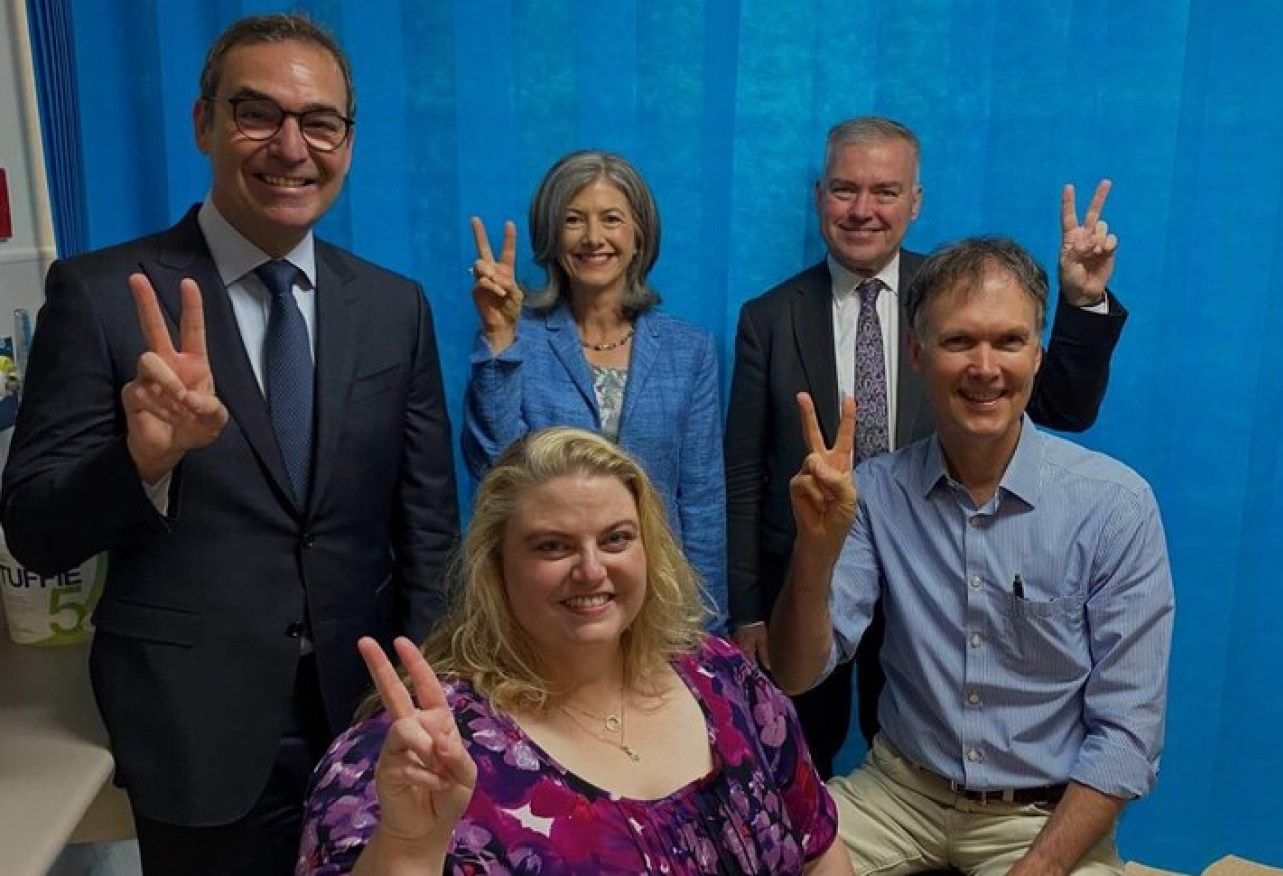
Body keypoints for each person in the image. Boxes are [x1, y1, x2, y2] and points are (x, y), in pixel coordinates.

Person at [0, 13, 458, 874]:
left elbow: (428, 523)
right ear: (204, 123)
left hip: (364, 716)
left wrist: (424, 693)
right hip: (192, 726)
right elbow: (33, 524)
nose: (292, 146)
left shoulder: (396, 309)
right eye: (258, 114)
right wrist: (143, 459)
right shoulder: (103, 296)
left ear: (347, 143)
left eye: (319, 121)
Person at [725, 115, 1129, 776]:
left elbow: (1065, 408)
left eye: (884, 191)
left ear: (914, 203)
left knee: (924, 765)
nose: (862, 210)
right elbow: (741, 472)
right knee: (795, 762)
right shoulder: (767, 318)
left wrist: (1082, 302)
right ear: (819, 197)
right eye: (843, 189)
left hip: (933, 579)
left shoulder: (953, 296)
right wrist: (747, 610)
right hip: (811, 579)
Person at [770, 236, 1174, 875]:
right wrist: (814, 555)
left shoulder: (1115, 507)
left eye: (1009, 341)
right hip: (898, 794)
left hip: (1039, 817)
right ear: (917, 354)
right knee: (755, 855)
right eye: (959, 341)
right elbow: (795, 673)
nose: (985, 367)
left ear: (1038, 354)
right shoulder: (875, 491)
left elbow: (1127, 737)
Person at [298, 427, 851, 875]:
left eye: (615, 539)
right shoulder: (419, 751)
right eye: (552, 546)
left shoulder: (725, 679)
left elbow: (819, 849)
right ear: (496, 568)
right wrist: (408, 843)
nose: (591, 570)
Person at [461, 149, 727, 630]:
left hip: (660, 604)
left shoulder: (690, 350)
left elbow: (702, 500)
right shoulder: (519, 337)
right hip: (554, 599)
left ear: (638, 234)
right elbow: (493, 473)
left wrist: (707, 629)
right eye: (573, 220)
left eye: (611, 219)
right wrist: (500, 339)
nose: (593, 238)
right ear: (551, 234)